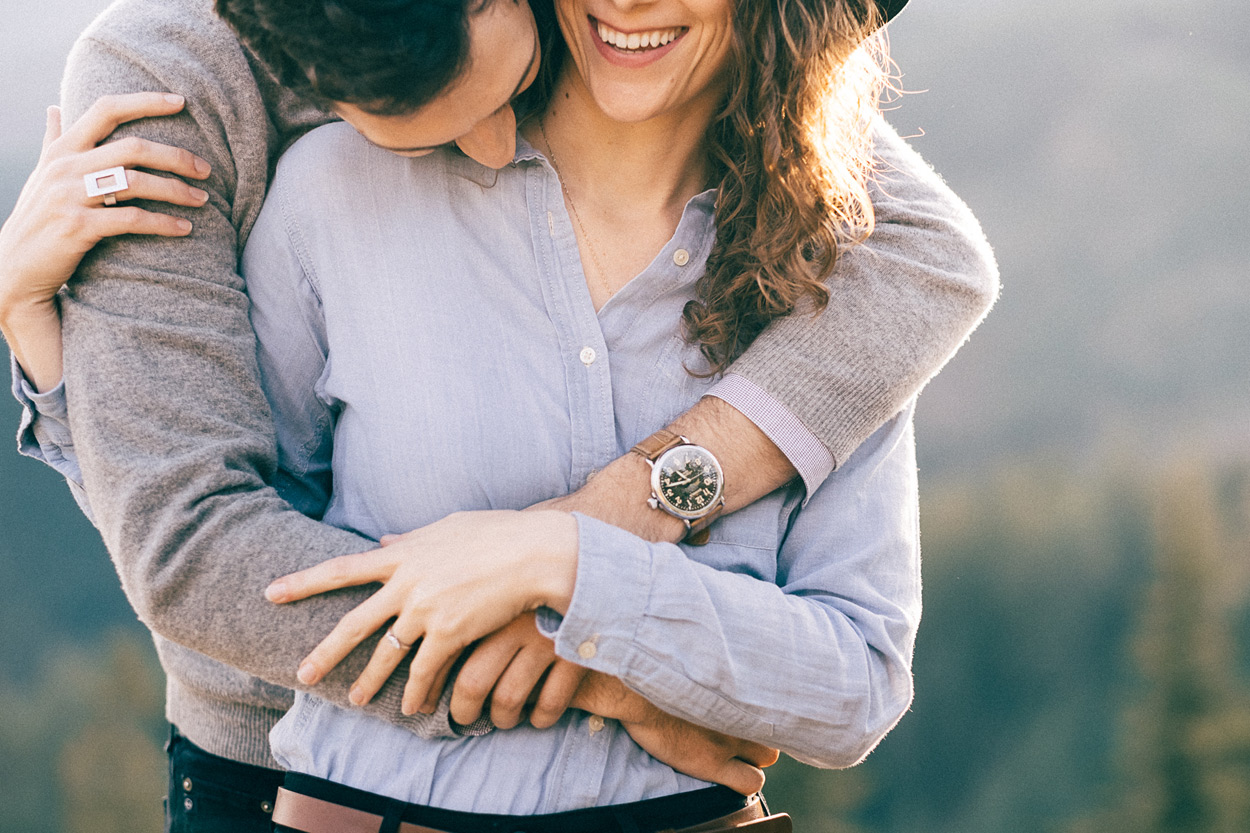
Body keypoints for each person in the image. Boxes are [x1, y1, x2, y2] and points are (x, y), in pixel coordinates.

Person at [0, 0, 997, 828]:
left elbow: (927, 254)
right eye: (424, 132)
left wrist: (576, 548)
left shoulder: (768, 192)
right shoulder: (190, 102)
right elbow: (189, 543)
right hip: (273, 770)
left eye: (500, 99)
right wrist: (611, 671)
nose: (487, 146)